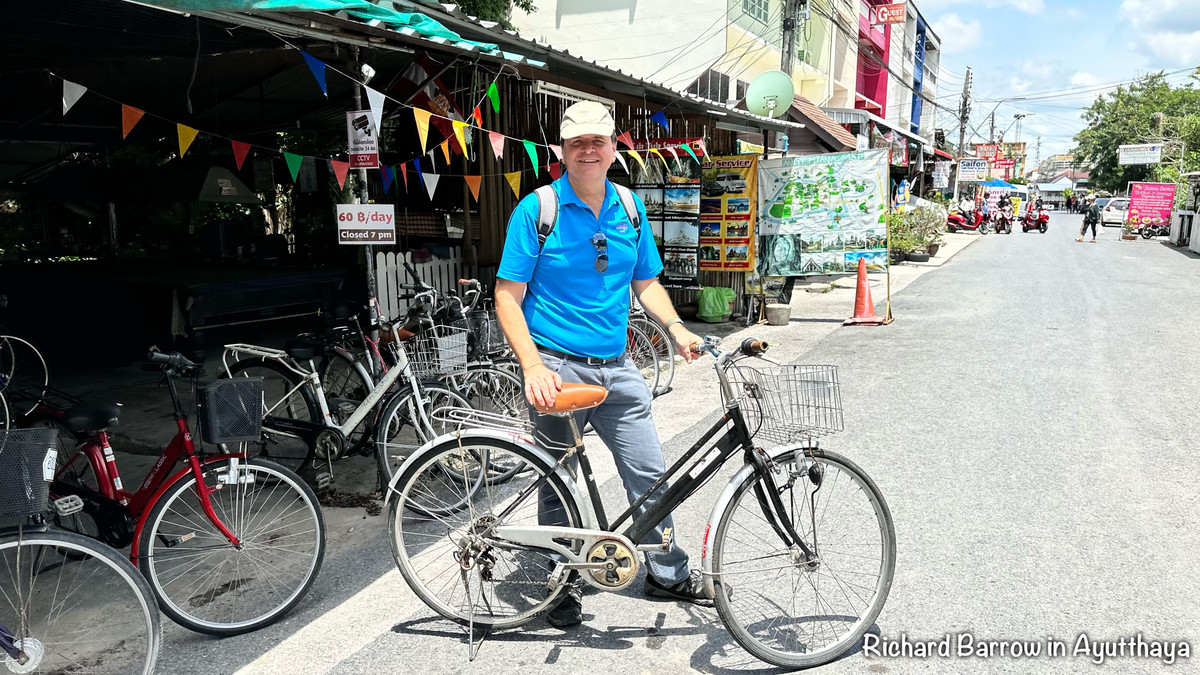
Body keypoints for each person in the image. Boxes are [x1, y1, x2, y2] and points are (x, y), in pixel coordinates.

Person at [494, 100, 707, 629]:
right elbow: (506, 294)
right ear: (561, 152)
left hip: (619, 366)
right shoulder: (536, 210)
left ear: (615, 148)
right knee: (557, 479)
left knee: (650, 475)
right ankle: (558, 581)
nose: (588, 150)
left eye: (597, 141)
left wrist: (676, 328)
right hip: (557, 367)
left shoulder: (631, 209)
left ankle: (667, 571)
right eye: (576, 143)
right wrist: (531, 366)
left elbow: (647, 282)